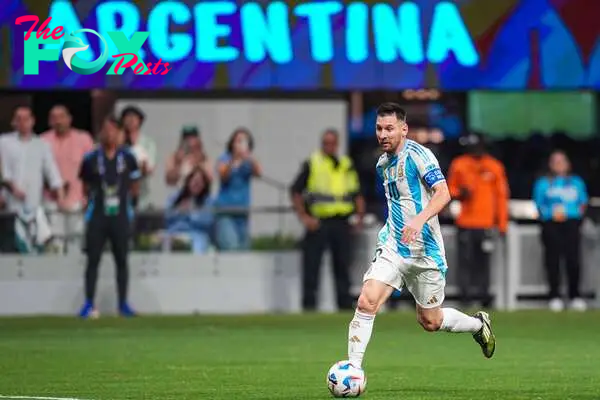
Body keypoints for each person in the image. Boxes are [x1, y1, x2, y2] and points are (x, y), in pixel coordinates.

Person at [345, 103, 495, 371]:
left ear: (404, 129)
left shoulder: (419, 155)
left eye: (389, 128)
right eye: (379, 128)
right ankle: (353, 370)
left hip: (425, 251)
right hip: (393, 246)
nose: (383, 134)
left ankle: (477, 324)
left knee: (430, 322)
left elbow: (443, 193)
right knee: (367, 300)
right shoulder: (383, 163)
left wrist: (418, 219)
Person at [291, 129, 365, 311]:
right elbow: (295, 191)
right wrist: (304, 217)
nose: (329, 146)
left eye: (332, 143)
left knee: (343, 266)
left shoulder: (346, 164)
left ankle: (345, 307)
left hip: (342, 222)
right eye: (326, 143)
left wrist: (359, 218)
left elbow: (357, 194)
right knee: (311, 267)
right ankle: (309, 307)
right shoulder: (313, 163)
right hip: (319, 222)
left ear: (337, 144)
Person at [78, 115, 141, 319]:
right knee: (93, 260)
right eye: (106, 129)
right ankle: (89, 304)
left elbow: (135, 185)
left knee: (121, 259)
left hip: (120, 215)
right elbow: (85, 186)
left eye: (114, 130)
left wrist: (130, 204)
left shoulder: (129, 158)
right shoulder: (90, 159)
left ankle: (123, 304)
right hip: (98, 215)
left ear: (120, 133)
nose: (109, 134)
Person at [447, 132, 509, 308]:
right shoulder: (459, 164)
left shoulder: (494, 166)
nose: (474, 150)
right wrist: (459, 193)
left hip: (486, 223)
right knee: (465, 262)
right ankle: (465, 297)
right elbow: (448, 189)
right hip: (465, 222)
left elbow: (501, 197)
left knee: (484, 262)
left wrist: (502, 224)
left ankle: (484, 296)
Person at [533, 150, 588, 312]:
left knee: (573, 259)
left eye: (561, 161)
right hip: (551, 224)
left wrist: (577, 216)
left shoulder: (576, 182)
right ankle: (554, 296)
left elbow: (583, 201)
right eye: (555, 161)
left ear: (568, 164)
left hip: (571, 223)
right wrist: (546, 216)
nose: (558, 165)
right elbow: (538, 202)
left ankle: (575, 295)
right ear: (550, 164)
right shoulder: (543, 183)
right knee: (553, 260)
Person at [41, 105, 94, 250]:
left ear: (70, 119)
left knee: (76, 244)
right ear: (49, 122)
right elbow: (38, 172)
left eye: (62, 117)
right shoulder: (42, 141)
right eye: (54, 118)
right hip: (51, 201)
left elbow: (92, 171)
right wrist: (51, 187)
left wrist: (89, 197)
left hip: (77, 201)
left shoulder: (84, 139)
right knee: (54, 244)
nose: (58, 121)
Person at [0, 106, 65, 213]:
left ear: (32, 121)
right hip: (8, 201)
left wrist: (61, 196)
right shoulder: (3, 142)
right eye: (19, 119)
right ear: (14, 122)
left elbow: (52, 172)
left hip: (33, 200)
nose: (22, 122)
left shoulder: (42, 144)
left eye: (26, 119)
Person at [214, 128, 262, 251]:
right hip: (225, 211)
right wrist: (233, 161)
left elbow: (259, 173)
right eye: (238, 141)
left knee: (243, 249)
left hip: (242, 211)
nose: (241, 144)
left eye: (244, 141)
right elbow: (223, 175)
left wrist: (249, 158)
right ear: (232, 144)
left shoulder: (248, 161)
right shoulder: (225, 158)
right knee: (231, 247)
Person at [165, 167, 215, 253]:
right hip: (175, 232)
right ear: (188, 182)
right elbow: (167, 217)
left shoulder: (208, 201)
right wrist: (179, 211)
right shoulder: (176, 197)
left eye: (200, 182)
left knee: (198, 247)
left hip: (196, 234)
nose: (196, 184)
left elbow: (208, 221)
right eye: (194, 181)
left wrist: (191, 213)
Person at [120, 105, 156, 209]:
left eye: (133, 117)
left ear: (140, 121)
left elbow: (149, 168)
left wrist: (140, 168)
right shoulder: (118, 143)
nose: (130, 120)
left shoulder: (148, 143)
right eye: (127, 117)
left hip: (143, 197)